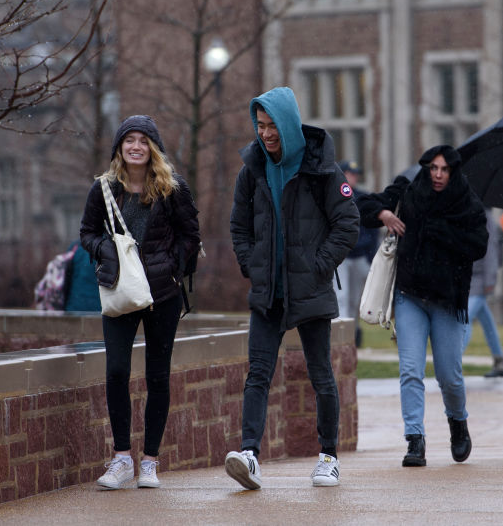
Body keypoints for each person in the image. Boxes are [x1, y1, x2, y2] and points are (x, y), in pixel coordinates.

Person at [224, 87, 359, 490]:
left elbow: (348, 223)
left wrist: (319, 266)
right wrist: (252, 265)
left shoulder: (322, 169)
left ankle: (329, 457)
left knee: (321, 376)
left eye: (272, 126)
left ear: (288, 123)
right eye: (260, 126)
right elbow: (239, 226)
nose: (265, 134)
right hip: (269, 292)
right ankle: (249, 454)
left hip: (311, 290)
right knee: (258, 374)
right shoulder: (252, 169)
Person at [79, 115, 201, 490]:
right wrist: (105, 251)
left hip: (162, 294)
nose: (136, 147)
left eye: (143, 140)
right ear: (119, 147)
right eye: (129, 140)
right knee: (116, 371)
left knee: (157, 376)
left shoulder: (172, 188)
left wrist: (175, 270)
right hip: (120, 290)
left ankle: (150, 461)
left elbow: (190, 234)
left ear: (153, 147)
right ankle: (121, 459)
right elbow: (86, 232)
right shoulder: (103, 189)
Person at [357, 145, 488, 467]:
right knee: (411, 371)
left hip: (447, 300)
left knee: (449, 376)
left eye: (444, 169)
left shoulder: (466, 202)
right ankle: (415, 439)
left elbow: (478, 245)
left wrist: (438, 231)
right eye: (433, 168)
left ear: (453, 171)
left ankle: (458, 422)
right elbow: (364, 204)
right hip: (409, 295)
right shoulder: (408, 188)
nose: (438, 175)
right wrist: (383, 213)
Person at [335, 159, 379, 347]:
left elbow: (373, 229)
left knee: (355, 299)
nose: (353, 177)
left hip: (360, 255)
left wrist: (371, 255)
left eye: (355, 174)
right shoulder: (334, 196)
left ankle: (352, 334)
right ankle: (341, 338)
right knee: (341, 297)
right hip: (341, 257)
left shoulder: (363, 197)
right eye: (350, 174)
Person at [463, 210, 503, 378]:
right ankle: (499, 358)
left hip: (480, 279)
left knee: (464, 318)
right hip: (466, 277)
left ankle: (453, 361)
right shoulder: (460, 210)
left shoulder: (484, 217)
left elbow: (491, 249)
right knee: (486, 320)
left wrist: (490, 279)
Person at [63, 241, 101, 312]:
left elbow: (65, 281)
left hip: (75, 307)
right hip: (101, 308)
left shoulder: (75, 247)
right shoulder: (111, 246)